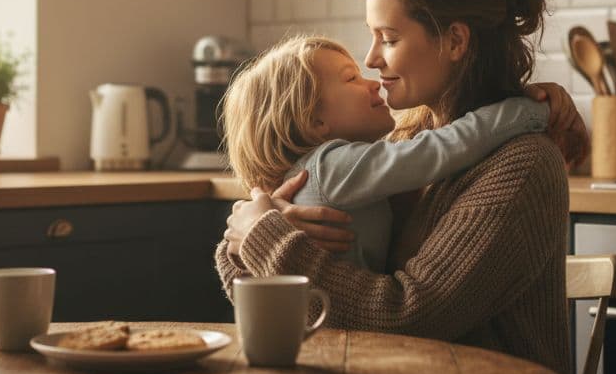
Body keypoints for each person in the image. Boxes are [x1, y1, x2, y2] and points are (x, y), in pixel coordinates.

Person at [215, 0, 588, 374]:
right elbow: (256, 275)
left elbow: (408, 318)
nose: (371, 60)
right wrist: (248, 237)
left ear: (454, 40)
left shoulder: (521, 165)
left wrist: (270, 242)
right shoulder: (405, 136)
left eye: (388, 38)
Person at [222, 34, 556, 273]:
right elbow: (442, 148)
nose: (372, 80)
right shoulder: (330, 166)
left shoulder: (324, 169)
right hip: (342, 335)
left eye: (390, 38)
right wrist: (529, 112)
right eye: (351, 78)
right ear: (314, 120)